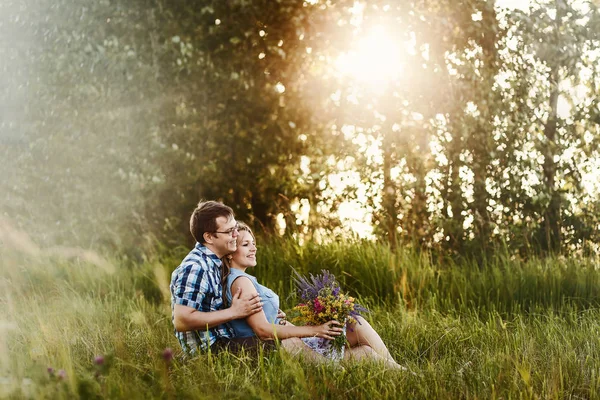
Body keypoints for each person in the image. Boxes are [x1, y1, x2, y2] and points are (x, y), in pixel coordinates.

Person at [223, 222, 404, 368]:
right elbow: (262, 330)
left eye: (253, 243)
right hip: (285, 345)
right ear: (230, 253)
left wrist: (283, 319)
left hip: (291, 337)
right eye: (246, 245)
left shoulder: (246, 279)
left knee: (357, 331)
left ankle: (399, 370)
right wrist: (314, 330)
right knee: (359, 336)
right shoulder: (240, 281)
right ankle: (402, 373)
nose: (253, 248)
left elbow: (265, 320)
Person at [170, 201, 266, 354]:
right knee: (282, 344)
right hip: (210, 352)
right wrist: (234, 312)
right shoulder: (196, 267)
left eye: (235, 228)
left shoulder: (215, 263)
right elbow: (181, 321)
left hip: (224, 341)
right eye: (229, 232)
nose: (236, 235)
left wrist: (269, 312)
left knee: (280, 338)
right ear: (209, 237)